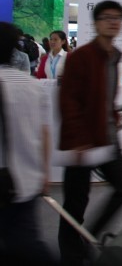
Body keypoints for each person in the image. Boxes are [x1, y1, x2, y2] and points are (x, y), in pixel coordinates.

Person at [58, 0, 122, 265]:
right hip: (82, 141)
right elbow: (68, 100)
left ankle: (88, 237)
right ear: (96, 23)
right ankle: (71, 256)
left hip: (106, 137)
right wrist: (77, 139)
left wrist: (113, 116)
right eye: (107, 17)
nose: (113, 22)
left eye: (117, 18)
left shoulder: (114, 56)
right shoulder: (82, 56)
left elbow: (105, 97)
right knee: (75, 203)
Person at [0, 22, 57, 265]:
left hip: (6, 180)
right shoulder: (32, 85)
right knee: (25, 242)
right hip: (27, 178)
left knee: (23, 246)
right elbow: (44, 132)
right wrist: (45, 173)